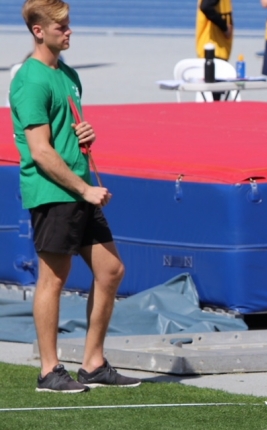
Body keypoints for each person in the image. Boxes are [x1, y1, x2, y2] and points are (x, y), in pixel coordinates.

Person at [10, 0, 140, 393]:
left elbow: (65, 134)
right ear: (39, 31)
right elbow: (41, 150)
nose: (69, 32)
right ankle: (49, 370)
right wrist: (84, 188)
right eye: (61, 27)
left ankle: (93, 363)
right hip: (54, 192)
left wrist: (84, 135)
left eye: (68, 25)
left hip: (79, 189)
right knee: (53, 279)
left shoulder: (67, 76)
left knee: (111, 270)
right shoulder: (30, 80)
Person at [196, 0, 233, 101]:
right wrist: (224, 27)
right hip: (213, 50)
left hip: (219, 49)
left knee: (214, 99)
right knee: (214, 100)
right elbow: (206, 7)